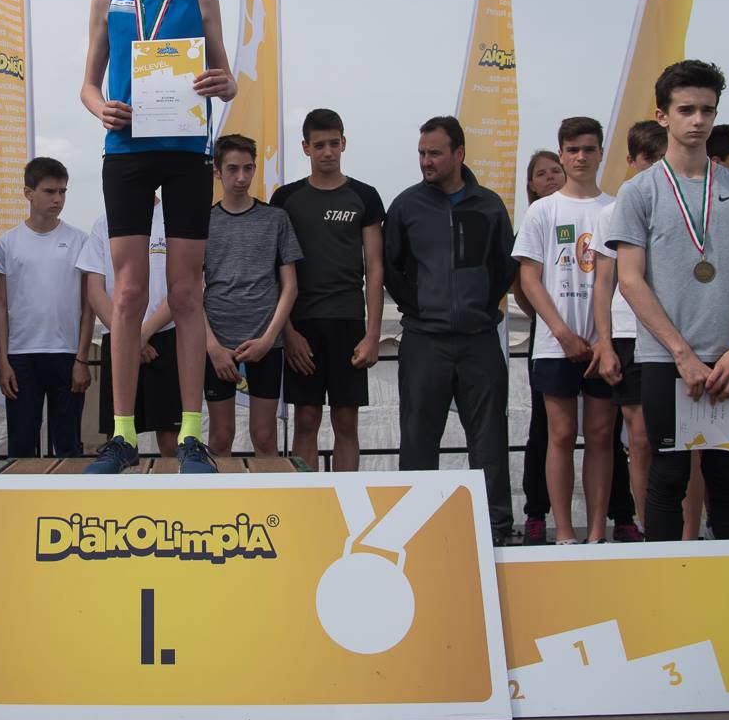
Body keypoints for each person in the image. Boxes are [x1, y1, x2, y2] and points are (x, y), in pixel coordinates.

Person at [79, 0, 237, 474]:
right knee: (127, 293)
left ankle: (191, 435)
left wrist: (224, 84)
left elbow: (226, 77)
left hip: (187, 149)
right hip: (126, 151)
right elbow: (88, 84)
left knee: (187, 291)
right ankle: (122, 436)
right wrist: (102, 110)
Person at [606, 60, 729, 543]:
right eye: (686, 110)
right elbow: (630, 280)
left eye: (707, 110)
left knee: (728, 482)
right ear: (663, 116)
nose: (698, 120)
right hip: (667, 360)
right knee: (667, 478)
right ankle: (663, 581)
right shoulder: (638, 191)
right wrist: (681, 353)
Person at [384, 116, 516, 544]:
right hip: (425, 342)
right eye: (422, 153)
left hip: (480, 342)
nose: (426, 161)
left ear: (458, 154)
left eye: (435, 153)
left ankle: (495, 530)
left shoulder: (490, 206)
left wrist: (479, 309)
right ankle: (418, 533)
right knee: (418, 441)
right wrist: (420, 308)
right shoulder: (405, 206)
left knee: (489, 440)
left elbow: (504, 268)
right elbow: (390, 268)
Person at [514, 118, 616, 543]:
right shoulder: (543, 210)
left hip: (604, 345)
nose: (581, 157)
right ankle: (565, 533)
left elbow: (618, 280)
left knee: (601, 436)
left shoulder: (615, 209)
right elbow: (529, 278)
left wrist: (604, 340)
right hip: (555, 344)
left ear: (600, 153)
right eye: (572, 150)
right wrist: (562, 333)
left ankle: (597, 532)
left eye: (589, 149)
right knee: (559, 434)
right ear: (562, 154)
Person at [271, 109, 385, 471]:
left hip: (348, 321)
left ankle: (345, 499)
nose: (328, 152)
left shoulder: (364, 196)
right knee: (305, 419)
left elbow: (375, 268)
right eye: (319, 145)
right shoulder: (286, 198)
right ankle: (304, 498)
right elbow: (276, 272)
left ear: (344, 143)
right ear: (306, 147)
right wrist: (287, 333)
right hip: (302, 323)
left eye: (334, 143)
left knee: (346, 422)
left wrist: (373, 335)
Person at [589, 120, 669, 542]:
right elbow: (603, 283)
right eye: (648, 159)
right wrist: (604, 343)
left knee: (685, 439)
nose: (655, 167)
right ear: (631, 161)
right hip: (627, 332)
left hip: (681, 333)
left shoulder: (689, 205)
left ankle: (688, 533)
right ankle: (648, 528)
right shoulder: (612, 213)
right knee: (639, 437)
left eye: (662, 158)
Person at [203, 134, 303, 457]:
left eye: (248, 168)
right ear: (217, 172)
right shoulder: (203, 222)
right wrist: (212, 347)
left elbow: (290, 286)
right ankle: (217, 494)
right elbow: (189, 288)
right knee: (220, 436)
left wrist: (269, 339)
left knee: (264, 436)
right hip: (217, 343)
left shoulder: (276, 219)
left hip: (266, 341)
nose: (241, 177)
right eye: (233, 169)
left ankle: (268, 493)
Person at [0, 157, 93, 458]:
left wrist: (82, 359)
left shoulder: (80, 240)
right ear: (29, 193)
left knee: (68, 445)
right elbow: (0, 305)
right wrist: (3, 361)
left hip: (67, 354)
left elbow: (88, 306)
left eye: (62, 191)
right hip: (21, 355)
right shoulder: (8, 242)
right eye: (49, 191)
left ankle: (67, 492)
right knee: (21, 444)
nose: (57, 199)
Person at [76, 200, 182, 460]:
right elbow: (94, 290)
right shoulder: (104, 223)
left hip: (164, 335)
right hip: (118, 337)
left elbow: (183, 286)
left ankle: (175, 487)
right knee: (119, 439)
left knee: (171, 441)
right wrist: (130, 337)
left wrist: (142, 335)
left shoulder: (173, 219)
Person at [517, 150, 562, 543]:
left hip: (597, 335)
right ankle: (536, 513)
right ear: (530, 185)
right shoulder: (533, 220)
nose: (550, 178)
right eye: (541, 174)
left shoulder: (599, 212)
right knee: (544, 430)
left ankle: (621, 513)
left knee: (604, 431)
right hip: (547, 338)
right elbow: (521, 285)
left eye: (555, 171)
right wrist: (548, 319)